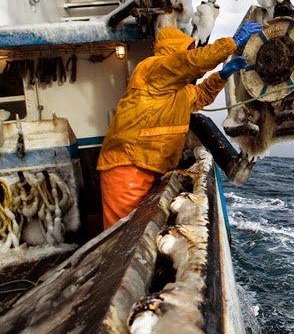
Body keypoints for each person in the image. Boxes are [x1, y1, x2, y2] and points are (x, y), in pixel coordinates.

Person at [97, 20, 262, 229]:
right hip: (127, 167)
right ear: (174, 51)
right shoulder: (150, 69)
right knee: (120, 234)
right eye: (187, 50)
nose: (190, 53)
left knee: (139, 231)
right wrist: (232, 43)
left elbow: (201, 95)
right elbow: (189, 63)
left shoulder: (179, 91)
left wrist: (222, 75)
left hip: (151, 166)